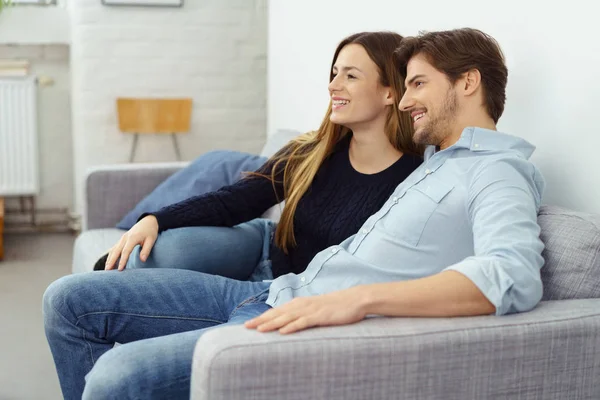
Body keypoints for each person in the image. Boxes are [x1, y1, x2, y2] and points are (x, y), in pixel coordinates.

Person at [43, 27, 546, 400]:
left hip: (300, 321)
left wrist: (360, 299)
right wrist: (157, 215)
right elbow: (241, 195)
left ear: (468, 83)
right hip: (274, 292)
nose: (407, 99)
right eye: (406, 85)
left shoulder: (497, 170)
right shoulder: (436, 159)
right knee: (67, 300)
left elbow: (512, 274)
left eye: (417, 85)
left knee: (116, 377)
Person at [95, 31, 422, 285]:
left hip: (299, 287)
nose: (333, 86)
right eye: (334, 73)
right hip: (265, 245)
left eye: (350, 76)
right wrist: (154, 219)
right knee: (148, 255)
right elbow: (235, 201)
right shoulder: (310, 151)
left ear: (390, 92)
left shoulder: (415, 178)